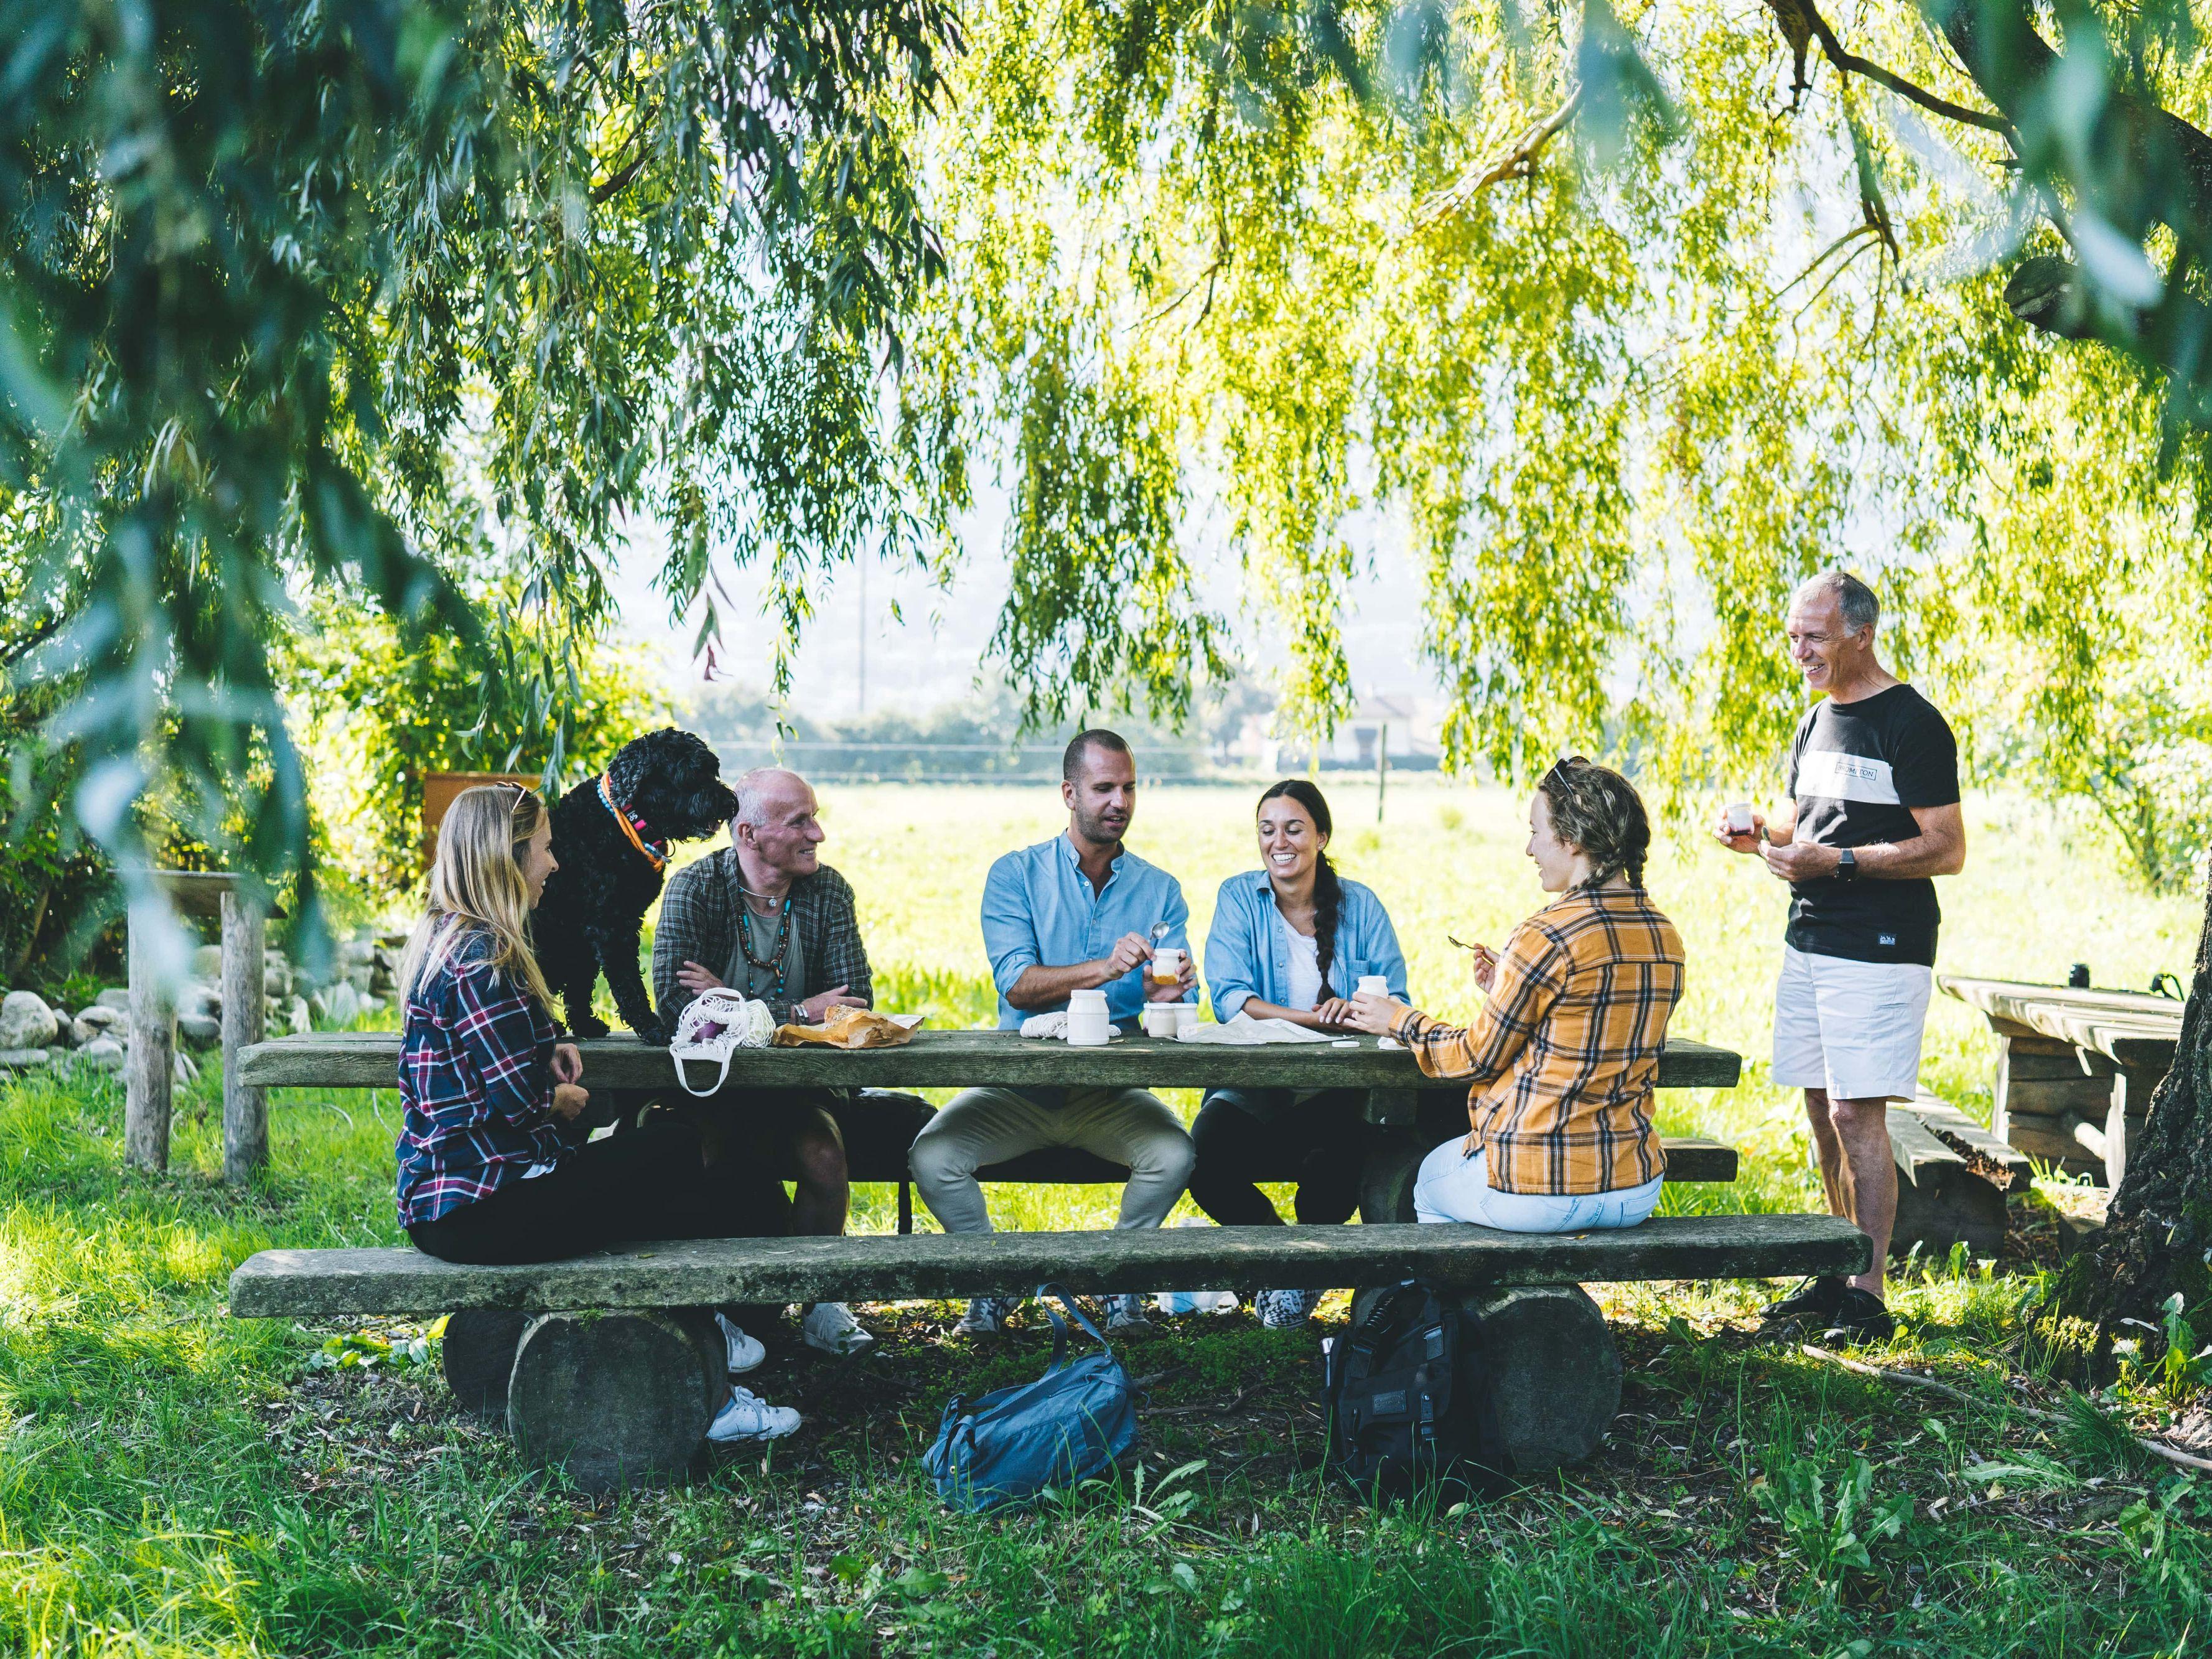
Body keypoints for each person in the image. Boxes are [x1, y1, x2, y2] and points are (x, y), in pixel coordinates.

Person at [394, 783, 800, 1444]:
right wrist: (562, 1098)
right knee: (669, 1153)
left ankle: (712, 1357)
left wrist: (549, 1038)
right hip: (476, 1208)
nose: (555, 863)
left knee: (659, 1180)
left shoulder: (454, 938)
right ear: (507, 856)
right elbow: (520, 1104)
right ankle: (715, 1375)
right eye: (546, 849)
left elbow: (500, 1052)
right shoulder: (483, 960)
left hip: (460, 1197)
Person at [1717, 570, 1965, 1344]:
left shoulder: (1912, 721)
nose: (1800, 650)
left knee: (1859, 1111)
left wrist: (1843, 863)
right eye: (1793, 635)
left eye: (1815, 637)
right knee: (1823, 1111)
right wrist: (1762, 831)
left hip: (1882, 947)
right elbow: (1805, 823)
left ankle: (1870, 1293)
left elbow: (1947, 848)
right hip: (1811, 937)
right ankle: (1835, 1266)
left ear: (1861, 632)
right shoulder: (1814, 720)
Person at [908, 729, 1199, 1335]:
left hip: (1107, 1093)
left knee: (1174, 1152)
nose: (1119, 800)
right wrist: (1107, 967)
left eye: (1129, 787)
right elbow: (1017, 984)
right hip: (1019, 1088)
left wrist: (1164, 998)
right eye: (1103, 788)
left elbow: (1170, 1010)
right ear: (1069, 792)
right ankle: (991, 1281)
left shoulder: (1160, 887)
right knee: (932, 1156)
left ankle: (1120, 1282)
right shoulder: (1015, 874)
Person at [1344, 759, 1681, 1237]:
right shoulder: (1663, 934)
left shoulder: (1547, 935)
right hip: (1634, 1186)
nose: (1529, 848)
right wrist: (1510, 981)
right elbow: (1593, 1021)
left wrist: (1399, 1020)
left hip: (1540, 1185)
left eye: (1536, 831)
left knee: (1423, 1181)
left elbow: (1475, 1058)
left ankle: (1436, 1307)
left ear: (1573, 839)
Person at [651, 765, 922, 1357]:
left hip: (805, 1084)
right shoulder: (695, 889)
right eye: (800, 821)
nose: (818, 834)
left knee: (824, 1158)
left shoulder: (828, 891)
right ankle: (723, 1313)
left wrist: (731, 1000)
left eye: (815, 817)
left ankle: (820, 1302)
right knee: (717, 1159)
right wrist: (797, 1010)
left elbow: (852, 1001)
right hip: (710, 1086)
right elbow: (676, 1005)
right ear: (748, 834)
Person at [1190, 778, 1411, 1327]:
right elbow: (1231, 1001)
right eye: (1267, 830)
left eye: (1293, 828)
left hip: (1337, 1087)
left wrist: (1357, 1011)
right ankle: (1284, 1267)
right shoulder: (1239, 897)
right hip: (1255, 1084)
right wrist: (1315, 1017)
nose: (1278, 841)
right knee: (1203, 1159)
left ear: (1321, 836)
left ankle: (1301, 1277)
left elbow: (1398, 1000)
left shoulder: (1360, 905)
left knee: (1335, 1160)